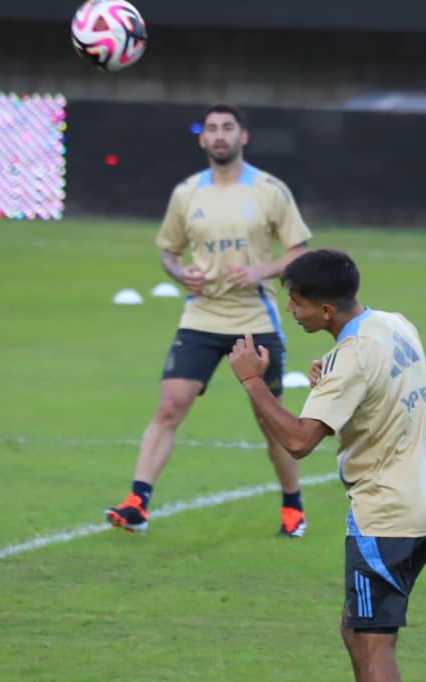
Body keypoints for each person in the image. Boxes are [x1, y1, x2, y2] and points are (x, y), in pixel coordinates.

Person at [228, 249, 426, 682]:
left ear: (324, 307)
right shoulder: (394, 324)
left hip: (387, 514)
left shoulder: (351, 354)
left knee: (375, 645)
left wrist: (252, 381)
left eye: (294, 302)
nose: (290, 311)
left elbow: (300, 442)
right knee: (355, 630)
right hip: (424, 504)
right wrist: (347, 394)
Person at [105, 103, 312, 536]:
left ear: (243, 136)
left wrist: (260, 271)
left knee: (269, 419)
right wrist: (182, 273)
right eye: (212, 129)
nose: (220, 135)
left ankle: (293, 505)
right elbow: (168, 252)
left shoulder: (269, 190)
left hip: (254, 319)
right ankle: (137, 502)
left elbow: (299, 249)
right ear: (202, 139)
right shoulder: (187, 193)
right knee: (168, 408)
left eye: (228, 128)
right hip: (200, 318)